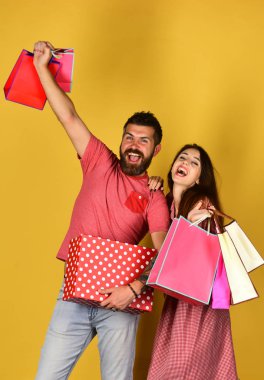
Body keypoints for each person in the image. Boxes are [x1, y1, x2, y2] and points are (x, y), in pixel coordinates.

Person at [33, 41, 170, 380]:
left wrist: (134, 289)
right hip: (73, 296)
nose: (133, 145)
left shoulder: (155, 197)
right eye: (129, 137)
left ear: (156, 148)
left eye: (143, 140)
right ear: (121, 140)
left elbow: (165, 251)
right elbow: (68, 114)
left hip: (121, 302)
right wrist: (40, 68)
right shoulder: (98, 160)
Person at [147, 144, 238, 380]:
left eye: (194, 162)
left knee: (188, 369)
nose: (185, 163)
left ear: (199, 179)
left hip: (199, 303)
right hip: (176, 299)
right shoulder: (163, 203)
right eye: (182, 158)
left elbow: (190, 257)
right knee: (171, 367)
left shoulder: (201, 204)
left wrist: (192, 221)